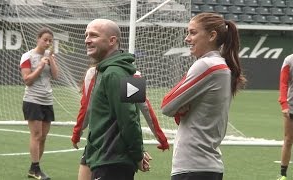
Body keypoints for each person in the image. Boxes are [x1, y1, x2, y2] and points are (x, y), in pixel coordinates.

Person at [161, 12, 246, 180]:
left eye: (193, 32)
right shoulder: (220, 65)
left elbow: (166, 106)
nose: (187, 38)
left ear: (212, 36)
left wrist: (179, 108)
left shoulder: (206, 65)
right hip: (205, 166)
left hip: (193, 166)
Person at [71, 63, 170, 180]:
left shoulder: (128, 75)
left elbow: (135, 115)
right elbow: (144, 110)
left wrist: (77, 133)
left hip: (114, 151)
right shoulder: (97, 73)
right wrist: (160, 138)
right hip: (98, 145)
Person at [83, 18, 151, 180]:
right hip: (111, 160)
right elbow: (134, 117)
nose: (87, 40)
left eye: (93, 35)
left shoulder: (113, 73)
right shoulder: (127, 70)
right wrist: (138, 151)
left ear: (112, 40)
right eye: (86, 35)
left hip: (110, 162)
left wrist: (137, 154)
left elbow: (130, 119)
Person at [20, 27, 59, 180]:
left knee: (43, 136)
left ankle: (34, 168)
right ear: (38, 39)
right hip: (32, 100)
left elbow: (55, 76)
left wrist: (52, 60)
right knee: (36, 135)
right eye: (45, 40)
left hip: (47, 101)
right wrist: (41, 65)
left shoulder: (50, 56)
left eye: (50, 41)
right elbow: (27, 80)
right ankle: (36, 169)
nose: (48, 43)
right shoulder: (27, 56)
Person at [277, 54, 293, 180]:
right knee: (288, 140)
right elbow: (283, 83)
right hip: (291, 107)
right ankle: (283, 174)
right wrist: (284, 103)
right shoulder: (289, 60)